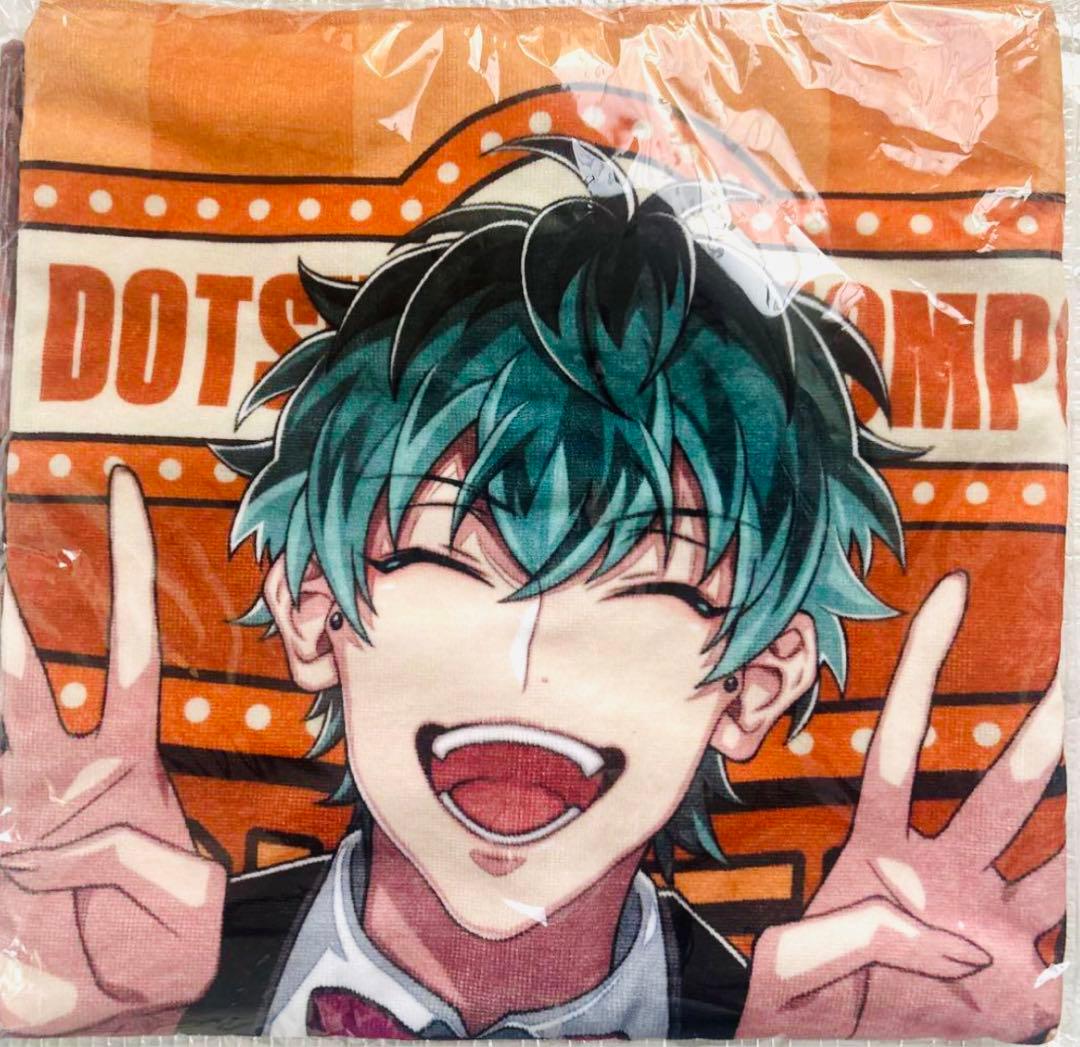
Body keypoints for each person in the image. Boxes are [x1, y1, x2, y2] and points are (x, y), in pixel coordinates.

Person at [0, 137, 1064, 1040]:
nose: (530, 663)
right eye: (447, 559)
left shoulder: (801, 1014)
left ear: (755, 684)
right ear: (316, 610)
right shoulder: (144, 970)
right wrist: (108, 1026)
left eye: (648, 584)